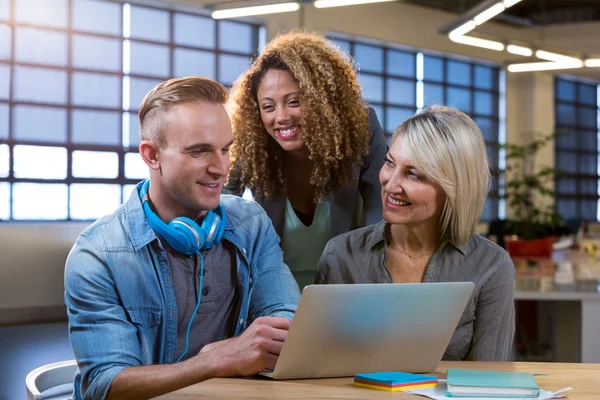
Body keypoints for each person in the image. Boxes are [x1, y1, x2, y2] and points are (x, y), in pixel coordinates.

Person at [64, 76, 301, 400]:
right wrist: (213, 362)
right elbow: (106, 386)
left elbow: (285, 317)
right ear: (151, 156)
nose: (221, 169)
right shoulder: (97, 256)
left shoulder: (251, 224)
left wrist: (277, 336)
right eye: (200, 152)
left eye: (225, 149)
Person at [314, 106, 515, 361]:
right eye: (390, 163)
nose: (390, 184)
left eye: (414, 174)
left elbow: (491, 380)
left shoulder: (491, 266)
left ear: (454, 188)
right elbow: (320, 366)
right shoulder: (340, 254)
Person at [226, 31, 387, 290]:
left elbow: (379, 209)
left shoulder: (359, 129)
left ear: (323, 101)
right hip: (274, 288)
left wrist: (372, 280)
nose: (281, 117)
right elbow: (221, 199)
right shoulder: (252, 140)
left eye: (294, 102)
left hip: (343, 283)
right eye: (268, 106)